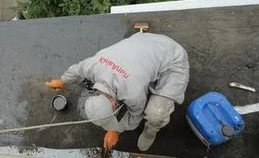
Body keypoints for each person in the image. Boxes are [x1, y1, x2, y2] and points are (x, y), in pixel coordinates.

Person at [45, 32, 189, 151]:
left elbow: (134, 118)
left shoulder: (132, 93)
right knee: (144, 77)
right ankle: (151, 75)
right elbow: (76, 70)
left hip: (173, 59)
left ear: (114, 104)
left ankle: (150, 132)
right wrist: (62, 80)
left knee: (155, 114)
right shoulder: (93, 66)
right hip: (144, 41)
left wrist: (116, 130)